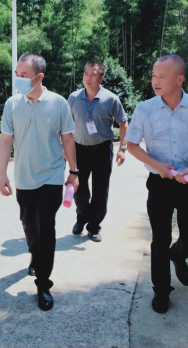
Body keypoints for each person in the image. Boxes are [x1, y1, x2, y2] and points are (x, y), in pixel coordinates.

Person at [125, 54, 188, 314]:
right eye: (154, 75)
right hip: (159, 182)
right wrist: (157, 166)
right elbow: (132, 145)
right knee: (160, 237)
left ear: (180, 80)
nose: (155, 81)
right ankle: (161, 290)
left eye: (162, 76)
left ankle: (178, 254)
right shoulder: (144, 109)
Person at [0, 52, 79, 311]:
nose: (19, 79)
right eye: (17, 74)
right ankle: (35, 254)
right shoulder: (12, 104)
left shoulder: (58, 103)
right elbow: (6, 141)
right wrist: (2, 174)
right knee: (29, 225)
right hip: (24, 178)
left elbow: (68, 139)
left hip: (51, 176)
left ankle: (43, 284)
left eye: (24, 75)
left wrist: (74, 172)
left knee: (46, 228)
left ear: (39, 76)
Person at [67, 61, 129, 242]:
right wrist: (65, 148)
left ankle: (94, 226)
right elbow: (65, 125)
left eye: (92, 75)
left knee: (100, 191)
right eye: (85, 74)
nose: (88, 78)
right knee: (79, 189)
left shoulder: (111, 99)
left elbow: (123, 123)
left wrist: (122, 148)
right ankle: (81, 217)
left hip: (102, 150)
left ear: (101, 78)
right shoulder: (73, 98)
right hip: (79, 149)